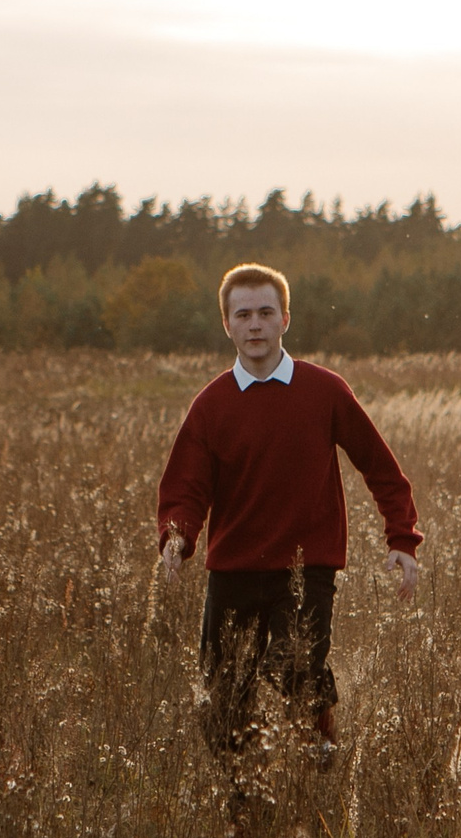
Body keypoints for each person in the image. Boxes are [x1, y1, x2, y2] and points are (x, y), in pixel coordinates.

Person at [156, 262, 421, 767]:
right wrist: (177, 538)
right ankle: (245, 815)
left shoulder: (324, 391)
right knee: (222, 702)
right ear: (227, 325)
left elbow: (380, 467)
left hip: (306, 568)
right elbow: (186, 487)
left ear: (285, 320)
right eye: (243, 315)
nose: (255, 324)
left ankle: (319, 736)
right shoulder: (210, 406)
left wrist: (402, 539)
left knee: (294, 666)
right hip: (233, 569)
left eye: (265, 312)